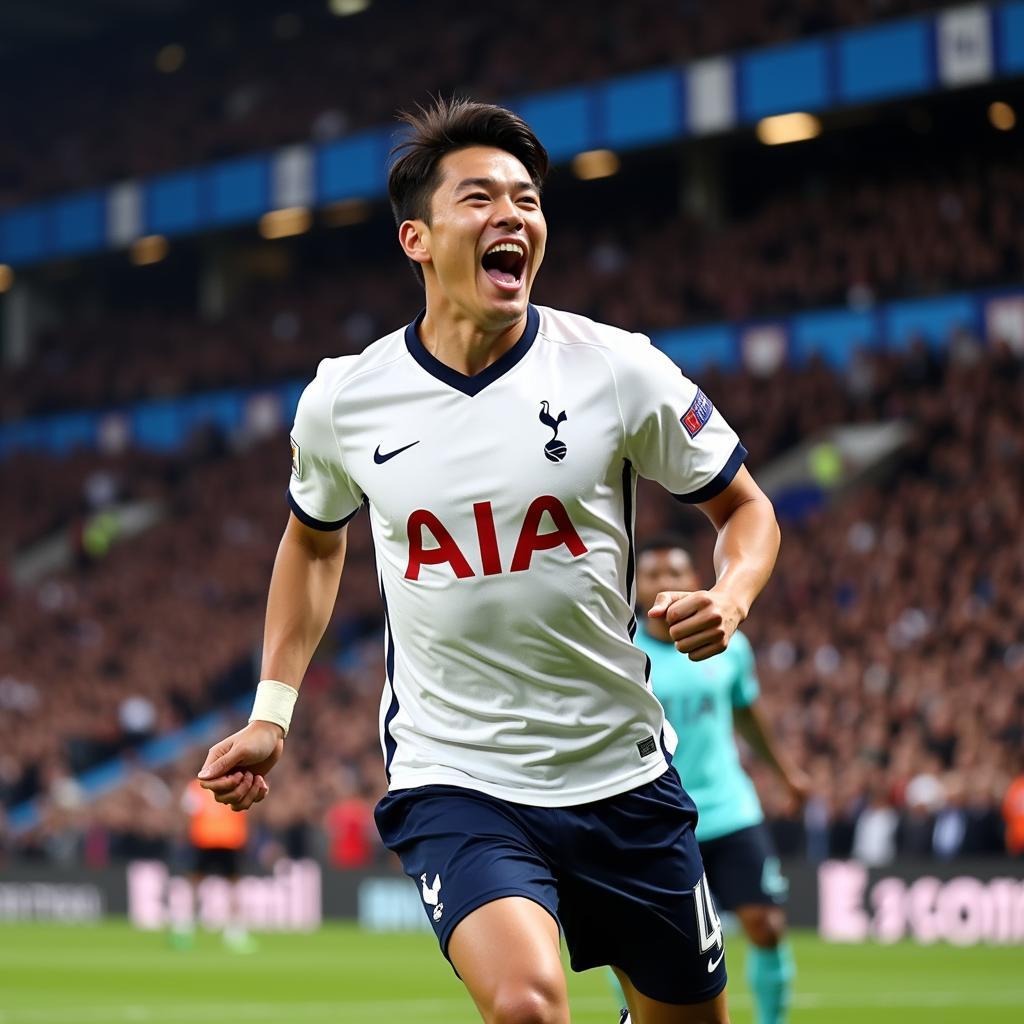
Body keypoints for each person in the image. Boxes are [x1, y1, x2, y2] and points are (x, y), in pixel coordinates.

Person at [197, 98, 780, 1024]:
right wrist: (274, 710)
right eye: (481, 197)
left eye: (528, 199)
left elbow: (744, 507)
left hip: (621, 770)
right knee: (527, 1006)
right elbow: (313, 539)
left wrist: (735, 594)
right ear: (417, 239)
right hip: (457, 773)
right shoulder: (346, 399)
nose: (513, 214)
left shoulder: (618, 369)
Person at [621, 536, 809, 1024]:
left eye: (676, 572)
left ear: (694, 580)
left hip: (729, 809)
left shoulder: (728, 642)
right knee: (640, 942)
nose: (666, 583)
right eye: (654, 575)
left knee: (766, 924)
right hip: (657, 816)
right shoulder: (621, 652)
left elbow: (747, 713)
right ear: (638, 588)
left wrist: (787, 774)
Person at [172, 777, 256, 952]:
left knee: (201, 885)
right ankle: (232, 934)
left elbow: (187, 812)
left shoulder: (198, 785)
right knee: (229, 887)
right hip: (218, 840)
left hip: (217, 840)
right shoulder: (236, 782)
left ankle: (187, 931)